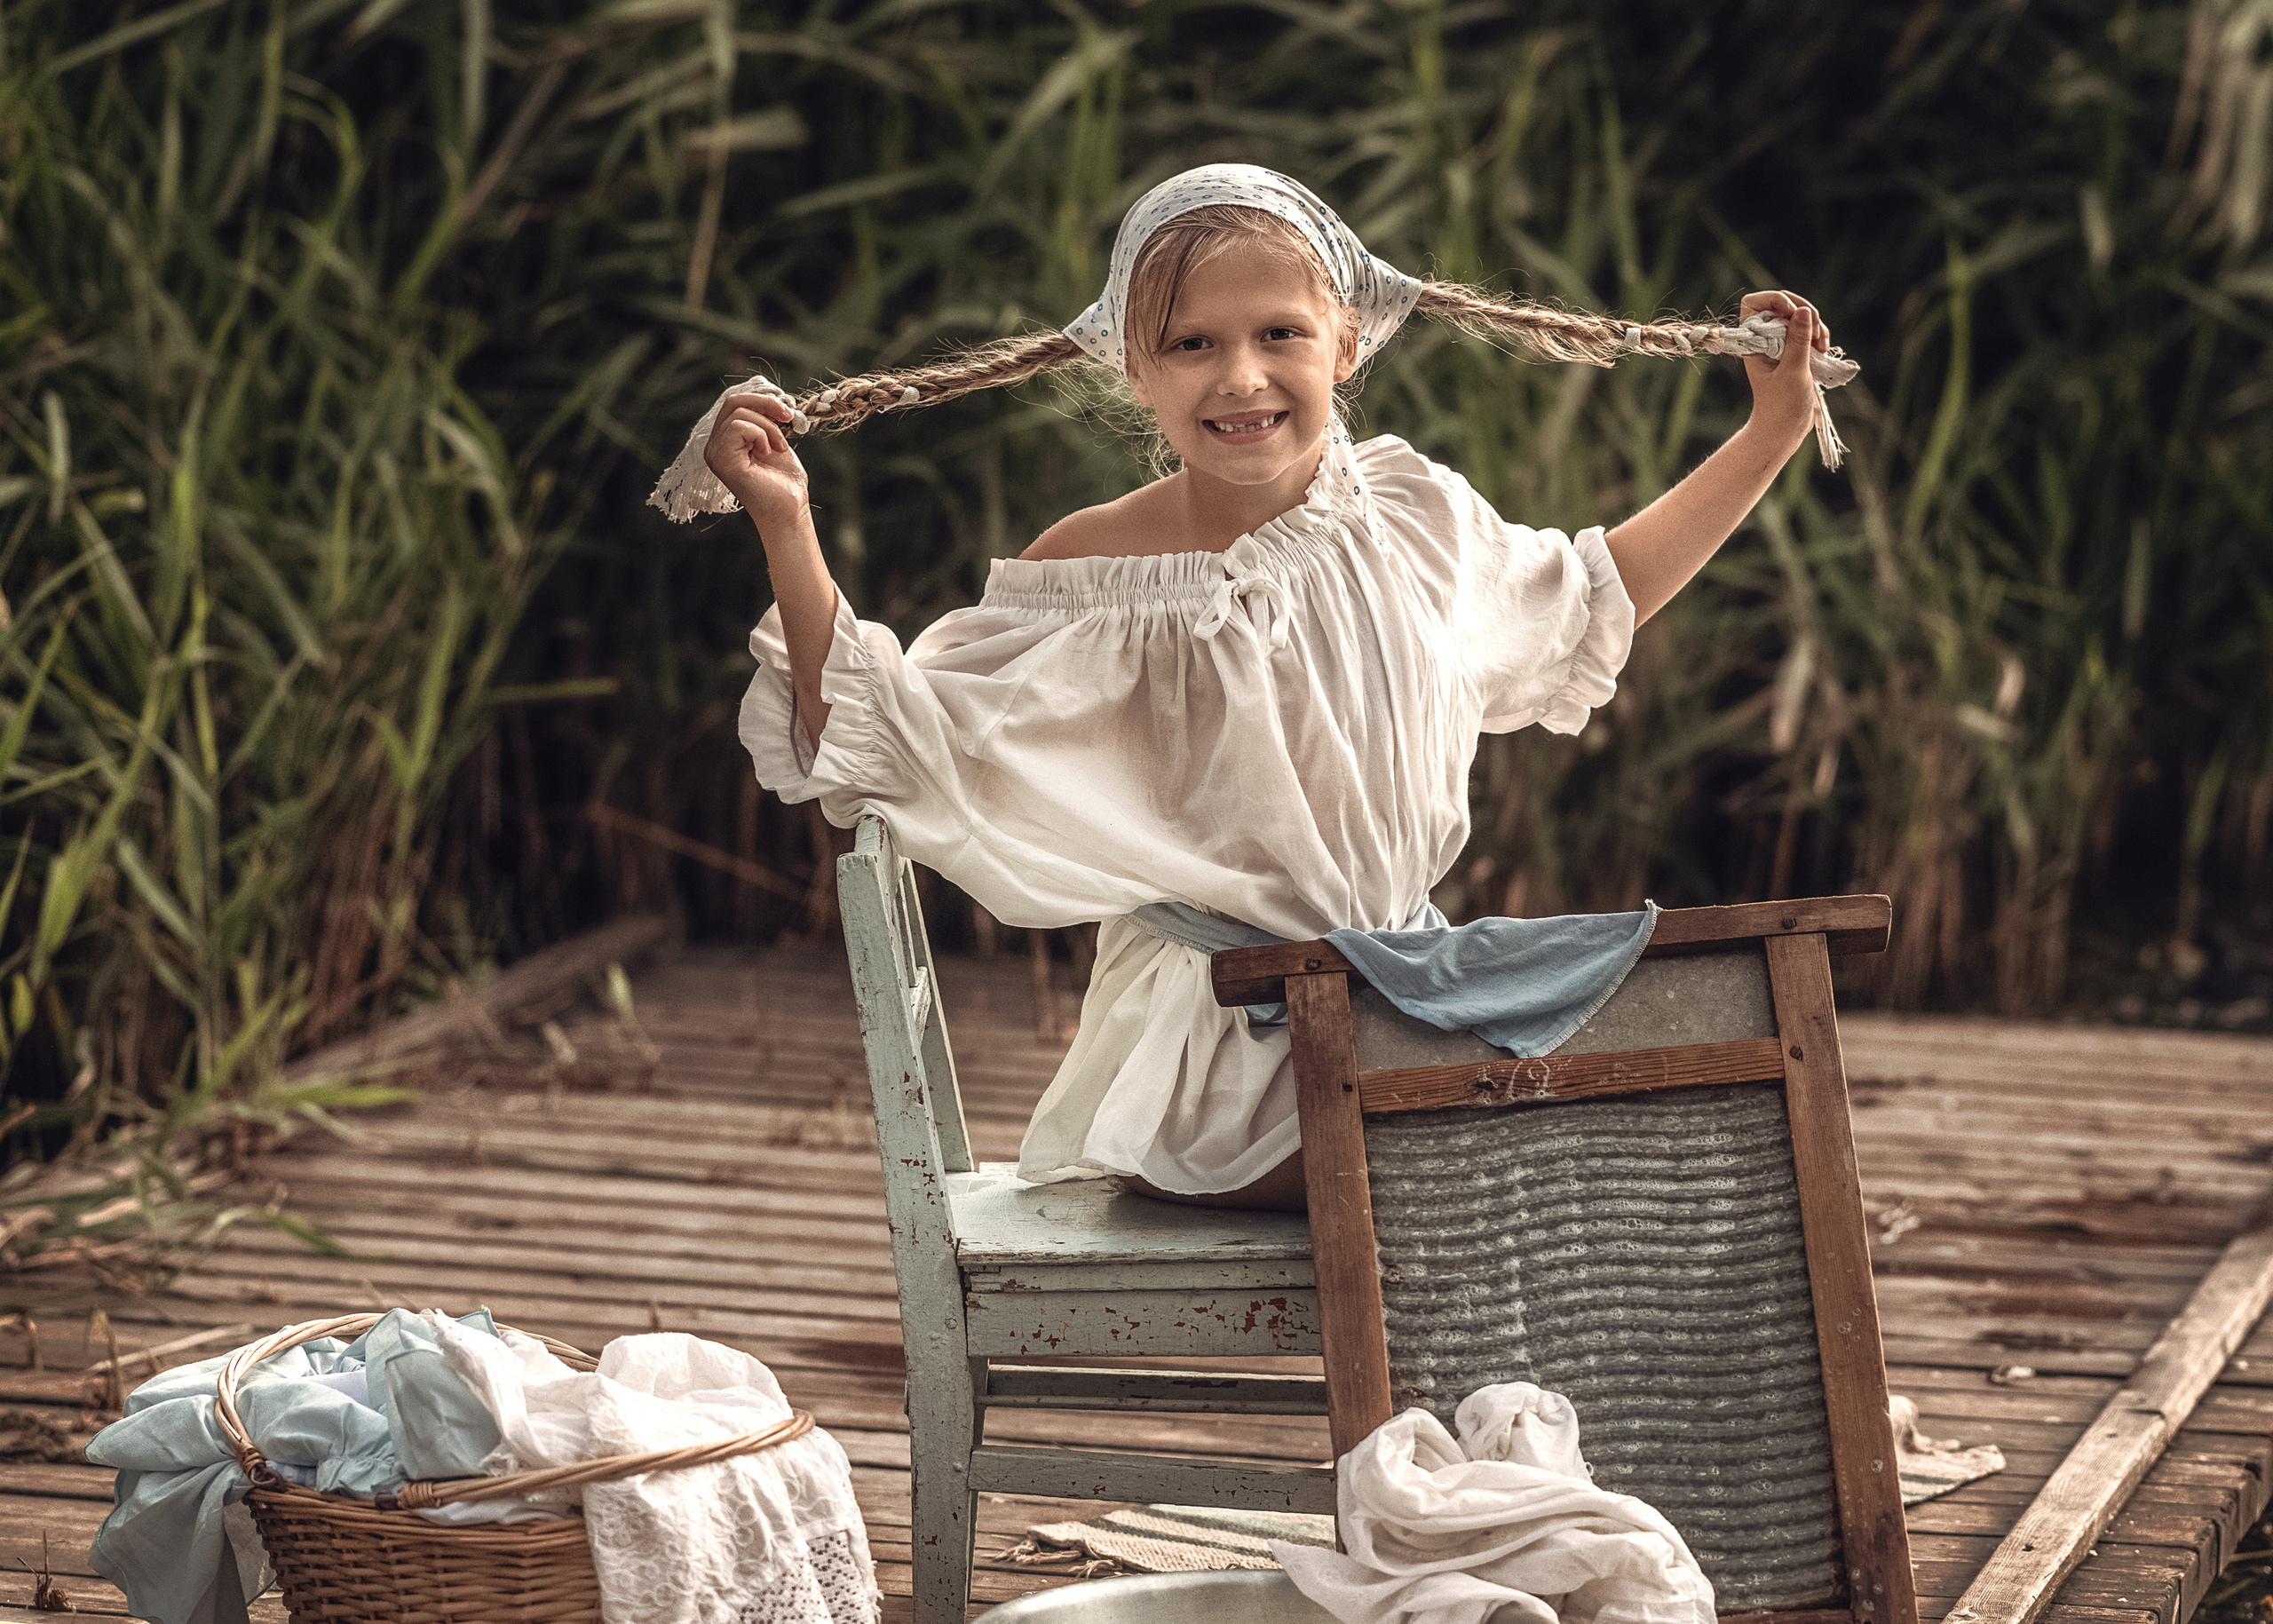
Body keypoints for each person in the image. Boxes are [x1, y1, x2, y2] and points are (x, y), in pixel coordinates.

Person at [662, 165, 1840, 1212]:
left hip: (1404, 1004)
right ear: (1135, 368)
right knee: (1553, 1160)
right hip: (1226, 1055)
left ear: (1346, 343)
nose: (1242, 377)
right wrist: (787, 523)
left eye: (1281, 332)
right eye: (1191, 344)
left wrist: (1773, 430)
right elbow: (885, 734)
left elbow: (1591, 593)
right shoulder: (1098, 579)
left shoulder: (1412, 520)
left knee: (1701, 1090)